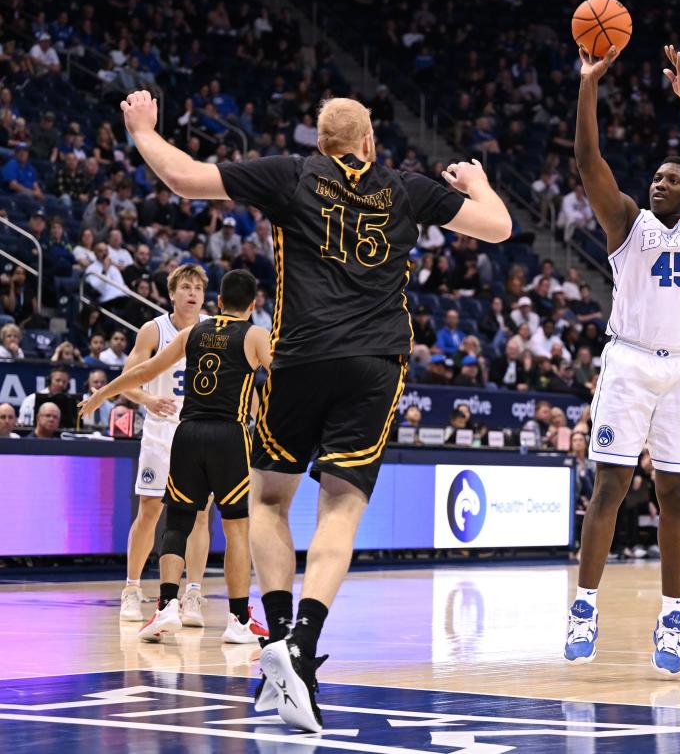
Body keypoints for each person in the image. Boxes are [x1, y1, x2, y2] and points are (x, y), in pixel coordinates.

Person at [117, 89, 510, 730]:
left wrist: (142, 129)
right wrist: (479, 180)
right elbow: (498, 226)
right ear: (369, 143)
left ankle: (278, 634)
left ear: (321, 143)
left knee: (270, 501)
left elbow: (183, 177)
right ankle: (302, 642)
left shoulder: (291, 175)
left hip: (298, 358)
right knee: (341, 506)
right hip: (374, 365)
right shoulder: (405, 187)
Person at [564, 45, 680, 677]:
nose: (662, 181)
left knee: (676, 495)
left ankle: (672, 617)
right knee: (610, 487)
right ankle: (584, 607)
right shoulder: (627, 222)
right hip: (629, 364)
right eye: (657, 176)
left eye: (673, 178)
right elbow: (587, 161)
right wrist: (587, 86)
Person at [82, 270, 271, 643]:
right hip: (226, 435)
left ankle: (167, 605)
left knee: (178, 522)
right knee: (236, 528)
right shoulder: (254, 334)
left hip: (186, 433)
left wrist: (102, 394)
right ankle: (237, 620)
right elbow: (282, 376)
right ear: (252, 306)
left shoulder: (193, 333)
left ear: (216, 299)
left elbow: (144, 370)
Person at [117, 264, 213, 626]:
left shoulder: (213, 330)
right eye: (185, 287)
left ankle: (193, 595)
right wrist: (148, 400)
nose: (192, 293)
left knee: (201, 514)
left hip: (198, 432)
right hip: (161, 431)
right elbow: (126, 382)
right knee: (150, 510)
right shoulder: (153, 330)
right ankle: (132, 588)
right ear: (171, 293)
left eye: (198, 288)